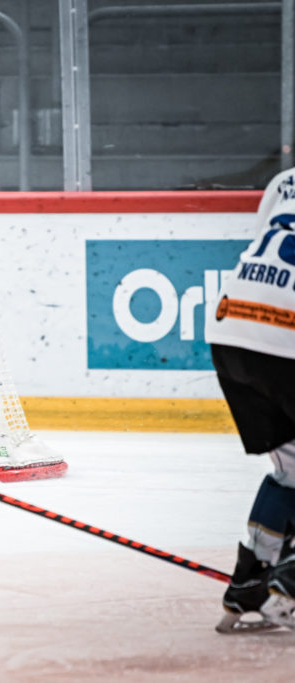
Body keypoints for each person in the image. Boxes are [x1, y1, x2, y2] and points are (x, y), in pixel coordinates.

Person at [205, 166, 295, 633]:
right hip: (285, 338)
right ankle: (289, 586)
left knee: (290, 470)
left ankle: (251, 584)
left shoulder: (286, 180)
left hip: (232, 328)